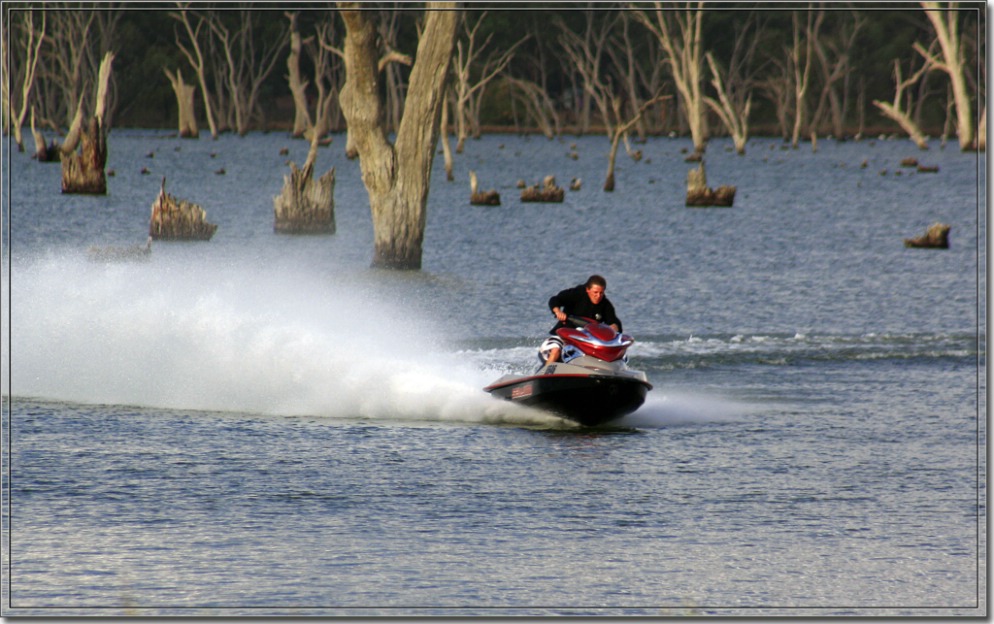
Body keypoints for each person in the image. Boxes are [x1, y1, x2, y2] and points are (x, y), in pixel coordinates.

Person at [539, 274, 622, 366]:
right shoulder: (576, 294)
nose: (598, 296)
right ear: (588, 290)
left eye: (601, 293)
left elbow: (614, 321)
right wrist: (558, 312)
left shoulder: (605, 305)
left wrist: (614, 327)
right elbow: (555, 300)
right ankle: (545, 374)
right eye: (595, 292)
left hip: (587, 342)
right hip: (564, 336)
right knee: (555, 351)